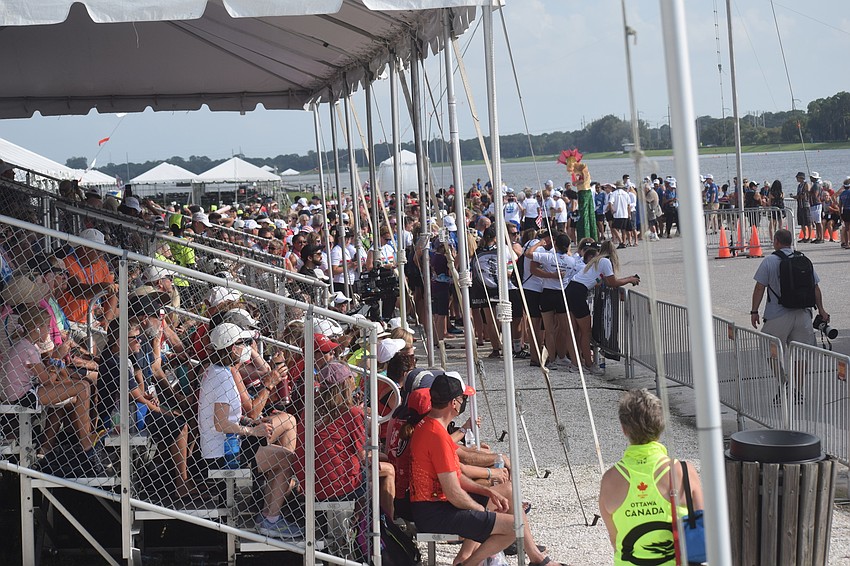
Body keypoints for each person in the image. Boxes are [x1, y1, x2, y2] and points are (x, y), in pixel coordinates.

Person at [409, 372, 561, 566]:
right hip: (435, 512)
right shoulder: (436, 435)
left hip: (433, 506)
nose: (463, 402)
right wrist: (482, 511)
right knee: (515, 526)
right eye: (462, 399)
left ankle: (536, 559)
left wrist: (486, 491)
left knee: (507, 491)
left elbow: (455, 476)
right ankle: (468, 563)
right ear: (453, 403)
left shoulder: (431, 426)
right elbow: (454, 492)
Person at [197, 323, 300, 539]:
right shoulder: (222, 376)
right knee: (288, 460)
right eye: (241, 344)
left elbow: (230, 416)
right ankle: (271, 517)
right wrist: (253, 431)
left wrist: (250, 422)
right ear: (230, 347)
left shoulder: (219, 370)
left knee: (284, 449)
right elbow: (221, 423)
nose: (245, 348)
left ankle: (274, 501)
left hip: (231, 443)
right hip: (225, 454)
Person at [599, 389, 703, 566]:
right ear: (661, 426)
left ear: (624, 430)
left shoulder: (610, 480)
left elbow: (615, 540)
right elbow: (704, 526)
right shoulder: (684, 471)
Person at [566, 241, 639, 371]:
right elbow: (612, 282)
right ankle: (589, 364)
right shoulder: (605, 261)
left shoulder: (596, 260)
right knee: (585, 331)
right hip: (578, 292)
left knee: (575, 331)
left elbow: (601, 280)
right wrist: (629, 279)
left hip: (572, 289)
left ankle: (576, 363)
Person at [750, 229, 829, 347]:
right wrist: (821, 310)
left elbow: (759, 288)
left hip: (777, 315)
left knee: (771, 351)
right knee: (802, 354)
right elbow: (815, 287)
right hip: (803, 314)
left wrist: (754, 311)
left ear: (776, 241)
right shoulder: (802, 259)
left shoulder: (769, 261)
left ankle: (780, 367)